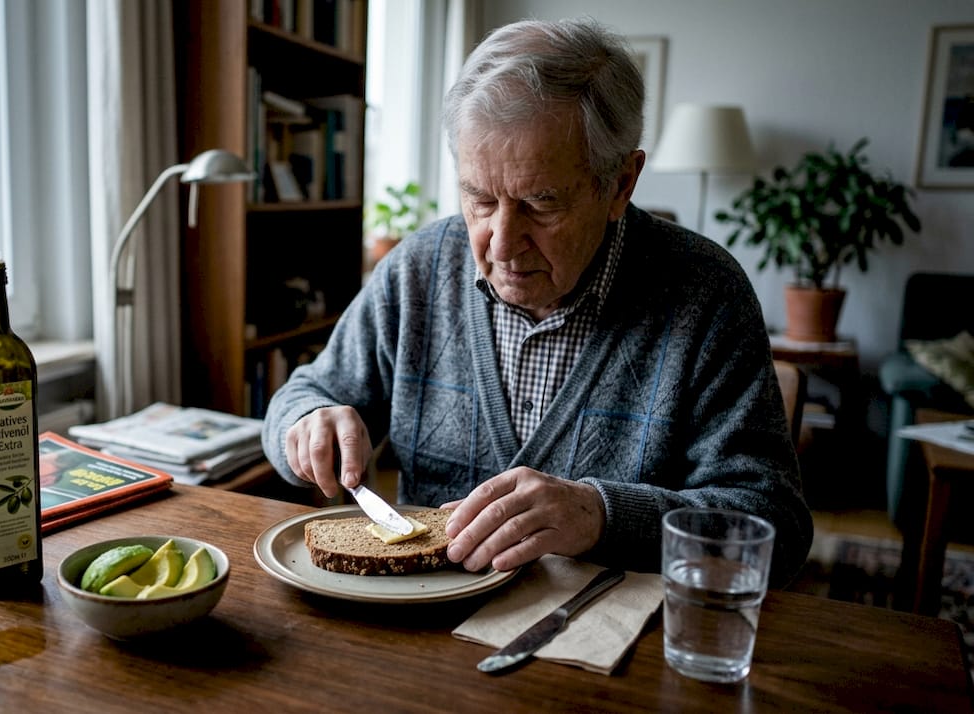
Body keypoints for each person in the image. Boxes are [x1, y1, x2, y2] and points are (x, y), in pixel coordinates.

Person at [261, 17, 812, 586]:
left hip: (611, 632)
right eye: (479, 198)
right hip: (421, 620)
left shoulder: (708, 292)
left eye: (540, 203)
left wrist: (601, 516)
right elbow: (304, 395)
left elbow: (778, 528)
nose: (501, 244)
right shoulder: (419, 268)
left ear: (621, 183)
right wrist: (305, 424)